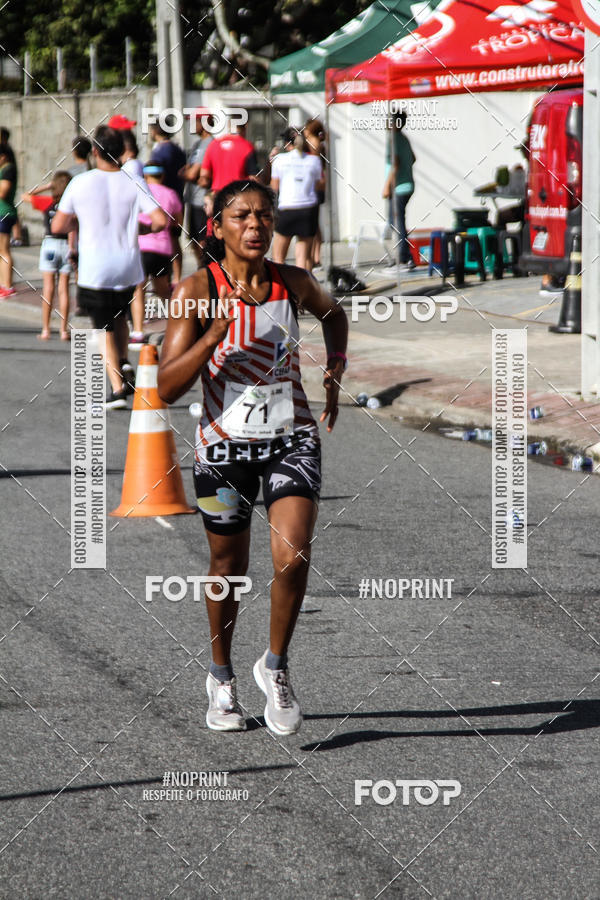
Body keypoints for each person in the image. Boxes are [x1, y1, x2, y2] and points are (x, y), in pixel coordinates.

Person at [157, 179, 348, 736]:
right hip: (222, 450)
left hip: (292, 438)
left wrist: (334, 363)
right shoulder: (197, 290)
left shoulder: (293, 282)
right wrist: (215, 329)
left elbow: (333, 315)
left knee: (292, 554)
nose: (256, 225)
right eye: (242, 216)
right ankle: (221, 678)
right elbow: (166, 388)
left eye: (265, 216)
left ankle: (276, 665)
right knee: (228, 569)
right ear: (217, 226)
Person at [52, 125, 168, 409]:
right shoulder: (134, 180)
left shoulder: (79, 183)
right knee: (119, 318)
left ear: (94, 151)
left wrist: (80, 221)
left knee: (102, 328)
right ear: (122, 152)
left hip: (95, 268)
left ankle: (116, 389)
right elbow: (160, 221)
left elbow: (58, 225)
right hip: (128, 265)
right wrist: (135, 229)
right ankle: (125, 363)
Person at [22, 171, 74, 340]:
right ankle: (63, 330)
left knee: (48, 288)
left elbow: (26, 196)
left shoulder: (47, 203)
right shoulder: (71, 207)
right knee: (64, 289)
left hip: (50, 245)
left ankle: (45, 329)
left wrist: (47, 186)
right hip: (66, 245)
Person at [270, 127, 324, 273]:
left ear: (288, 144)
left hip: (287, 208)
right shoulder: (314, 160)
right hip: (308, 209)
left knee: (278, 258)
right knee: (303, 258)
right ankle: (303, 292)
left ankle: (282, 291)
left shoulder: (279, 160)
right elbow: (320, 186)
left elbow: (274, 186)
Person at [135, 161, 182, 305]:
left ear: (145, 175)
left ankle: (137, 325)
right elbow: (178, 222)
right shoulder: (171, 194)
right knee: (163, 290)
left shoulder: (139, 191)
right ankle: (176, 316)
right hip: (161, 249)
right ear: (162, 176)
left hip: (140, 247)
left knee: (138, 289)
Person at [148, 118, 186, 282]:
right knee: (174, 239)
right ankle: (177, 277)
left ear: (155, 131)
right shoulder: (178, 150)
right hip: (177, 199)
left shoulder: (158, 152)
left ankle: (160, 277)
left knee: (159, 237)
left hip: (161, 200)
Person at [179, 108, 213, 266]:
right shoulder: (197, 144)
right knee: (192, 238)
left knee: (202, 240)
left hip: (202, 201)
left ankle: (206, 270)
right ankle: (202, 268)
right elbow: (186, 171)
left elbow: (191, 174)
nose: (192, 125)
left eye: (195, 121)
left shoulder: (208, 144)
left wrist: (190, 174)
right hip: (192, 200)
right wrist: (189, 173)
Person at [383, 112, 416, 272]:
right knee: (396, 221)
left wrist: (387, 185)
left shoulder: (393, 139)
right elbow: (413, 158)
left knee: (396, 223)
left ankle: (405, 257)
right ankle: (404, 255)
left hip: (399, 187)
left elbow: (395, 164)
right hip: (407, 184)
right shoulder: (403, 138)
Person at [199, 118, 258, 193]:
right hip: (238, 196)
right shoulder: (247, 147)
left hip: (218, 196)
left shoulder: (213, 145)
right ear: (246, 126)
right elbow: (253, 178)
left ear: (229, 125)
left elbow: (204, 177)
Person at [303, 118, 327, 269]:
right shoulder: (316, 142)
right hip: (316, 185)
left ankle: (315, 256)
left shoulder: (314, 143)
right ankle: (315, 255)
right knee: (314, 223)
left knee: (313, 224)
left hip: (315, 186)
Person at [0, 141, 17, 297]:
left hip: (4, 213)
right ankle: (3, 283)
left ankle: (8, 286)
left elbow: (3, 192)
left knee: (4, 250)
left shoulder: (8, 170)